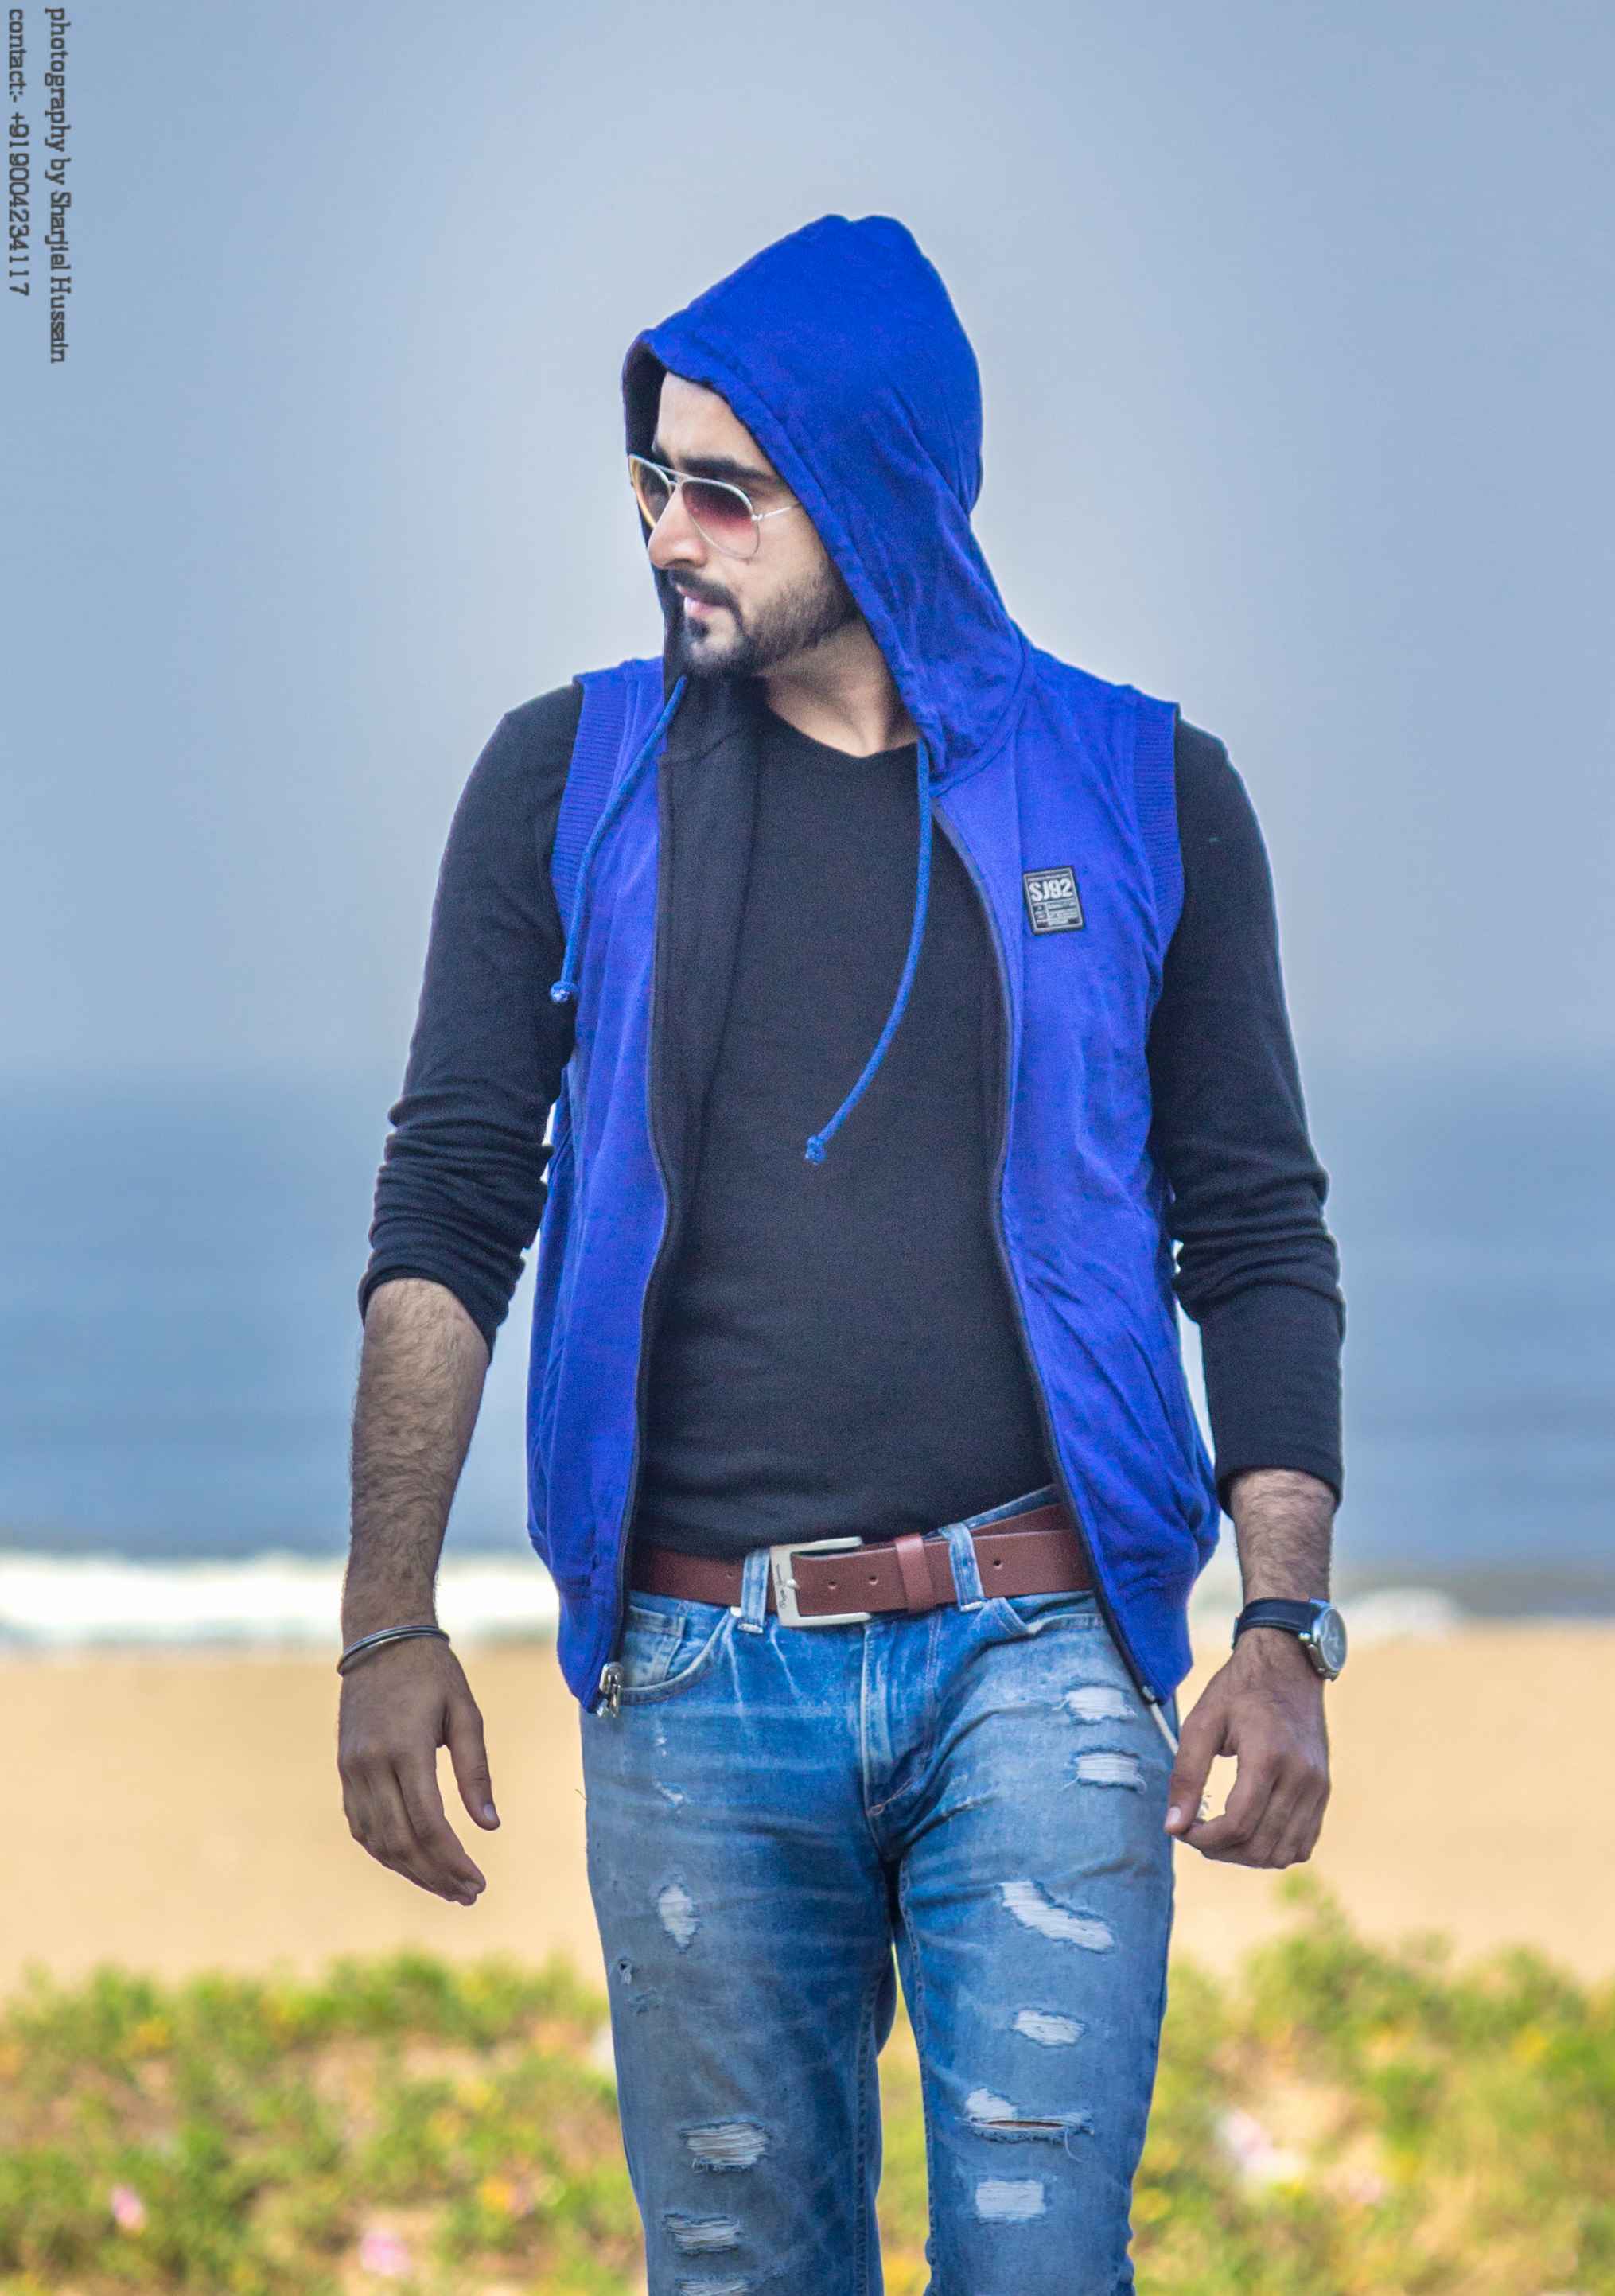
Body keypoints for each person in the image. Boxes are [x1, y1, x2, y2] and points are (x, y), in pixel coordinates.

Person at [338, 213, 1346, 2294]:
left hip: (1040, 1654)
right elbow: (451, 1200)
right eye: (652, 482)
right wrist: (384, 1622)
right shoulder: (570, 781)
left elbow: (1252, 1230)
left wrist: (1282, 1623)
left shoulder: (1144, 791)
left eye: (725, 492)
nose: (667, 536)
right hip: (695, 1666)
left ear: (873, 491)